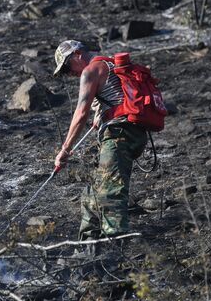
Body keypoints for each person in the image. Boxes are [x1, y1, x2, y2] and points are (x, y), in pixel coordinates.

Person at [53, 40, 148, 241]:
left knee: (111, 194)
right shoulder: (109, 64)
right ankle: (89, 245)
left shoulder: (91, 70)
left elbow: (80, 113)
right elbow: (117, 98)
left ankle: (116, 252)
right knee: (91, 194)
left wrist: (65, 150)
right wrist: (103, 114)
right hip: (131, 133)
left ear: (78, 54)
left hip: (119, 135)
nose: (69, 74)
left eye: (68, 67)